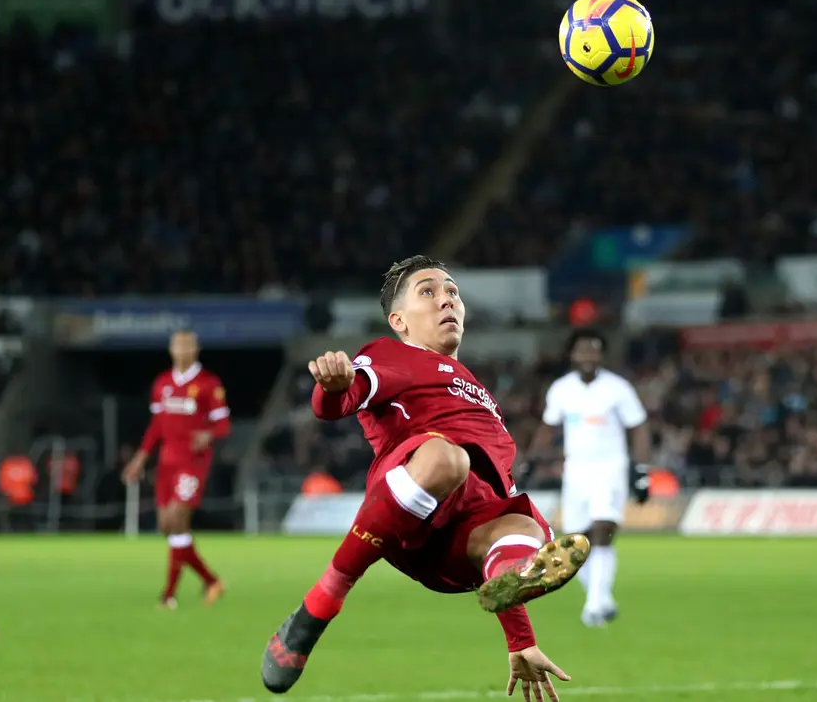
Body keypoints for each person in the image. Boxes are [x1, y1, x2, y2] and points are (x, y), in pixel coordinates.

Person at [261, 255, 590, 702]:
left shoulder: (481, 396)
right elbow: (342, 399)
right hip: (409, 506)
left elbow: (501, 493)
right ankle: (324, 600)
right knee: (447, 458)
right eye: (428, 291)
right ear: (399, 320)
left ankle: (515, 571)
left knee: (528, 524)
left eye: (453, 291)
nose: (447, 300)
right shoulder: (390, 355)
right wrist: (332, 385)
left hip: (460, 546)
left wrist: (521, 640)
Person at [528, 328, 651, 626]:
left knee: (603, 529)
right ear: (572, 354)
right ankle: (601, 597)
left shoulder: (617, 389)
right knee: (576, 542)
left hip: (610, 468)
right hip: (577, 472)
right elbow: (548, 427)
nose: (588, 355)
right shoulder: (561, 389)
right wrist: (529, 462)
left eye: (594, 349)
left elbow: (639, 428)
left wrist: (642, 471)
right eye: (583, 350)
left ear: (601, 355)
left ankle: (594, 606)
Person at [123, 330, 231, 609]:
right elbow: (156, 426)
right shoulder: (162, 383)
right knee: (167, 527)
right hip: (166, 463)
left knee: (178, 519)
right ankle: (211, 580)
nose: (182, 350)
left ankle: (168, 595)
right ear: (171, 349)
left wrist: (207, 435)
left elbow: (223, 424)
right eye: (177, 345)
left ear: (197, 348)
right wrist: (139, 459)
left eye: (187, 345)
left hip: (192, 465)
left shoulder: (208, 384)